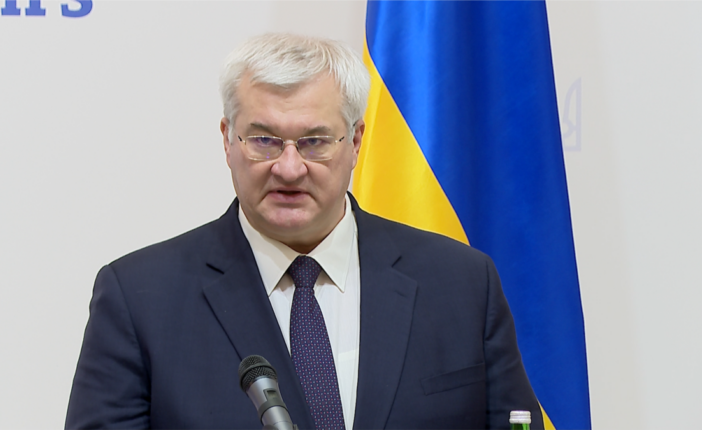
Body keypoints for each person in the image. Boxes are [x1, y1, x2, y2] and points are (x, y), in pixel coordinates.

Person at [65, 33, 544, 430]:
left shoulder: (461, 284)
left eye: (314, 141)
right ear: (227, 140)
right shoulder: (140, 299)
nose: (289, 168)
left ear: (355, 141)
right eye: (264, 140)